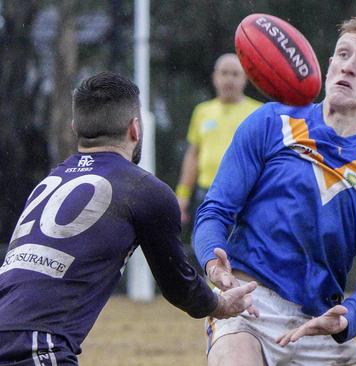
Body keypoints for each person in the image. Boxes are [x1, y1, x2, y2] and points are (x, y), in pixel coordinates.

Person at [194, 17, 356, 365]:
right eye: (343, 54)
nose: (349, 66)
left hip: (316, 322)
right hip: (248, 303)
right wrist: (213, 263)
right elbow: (215, 211)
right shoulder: (271, 122)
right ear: (326, 66)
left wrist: (347, 317)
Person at [0, 72, 257, 365]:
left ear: (75, 128)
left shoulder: (53, 178)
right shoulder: (145, 191)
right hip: (34, 344)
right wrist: (221, 304)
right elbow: (180, 286)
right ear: (135, 129)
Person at [175, 54, 262, 225]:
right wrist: (182, 195)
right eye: (224, 73)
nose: (229, 79)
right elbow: (193, 155)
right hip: (207, 192)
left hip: (246, 195)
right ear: (215, 77)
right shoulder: (202, 111)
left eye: (235, 74)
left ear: (245, 78)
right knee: (207, 247)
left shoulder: (259, 112)